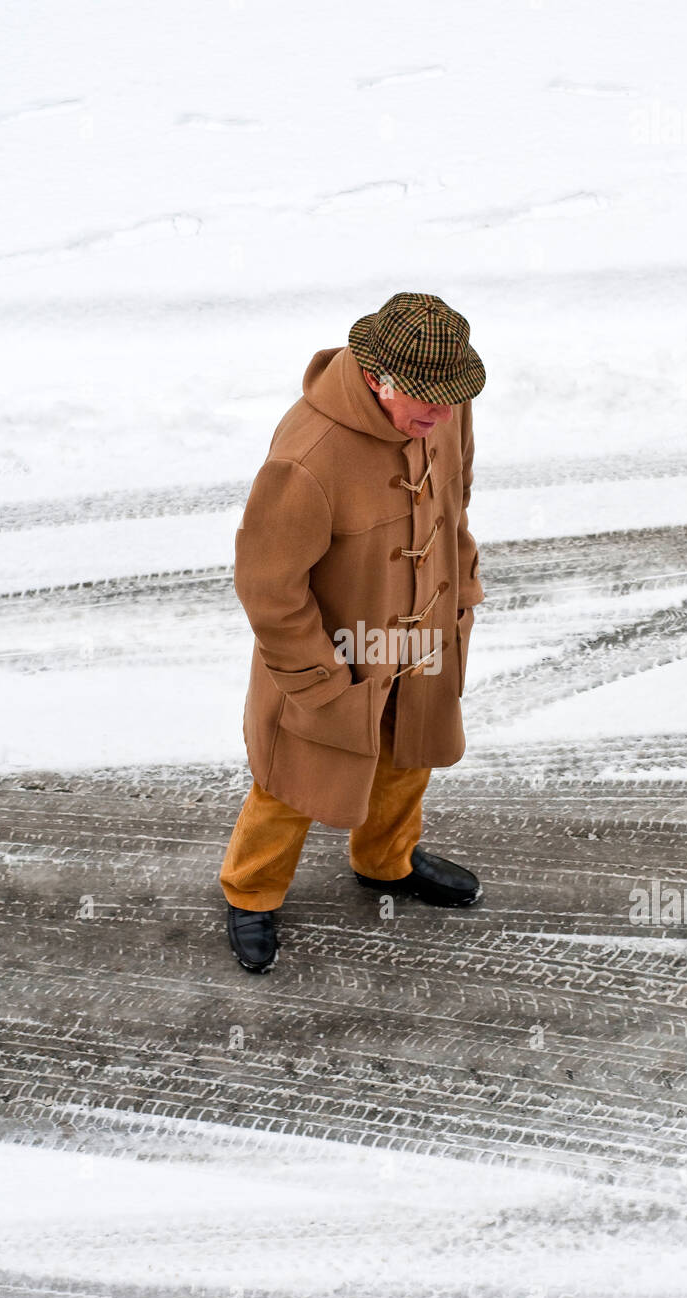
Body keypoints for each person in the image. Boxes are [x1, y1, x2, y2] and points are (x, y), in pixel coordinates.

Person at [219, 291, 486, 972]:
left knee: (408, 757)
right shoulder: (308, 455)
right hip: (337, 656)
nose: (443, 415)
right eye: (428, 399)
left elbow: (455, 504)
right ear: (376, 377)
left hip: (421, 639)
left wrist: (461, 595)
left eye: (452, 397)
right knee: (293, 783)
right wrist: (315, 677)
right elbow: (267, 585)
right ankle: (250, 894)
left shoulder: (442, 413)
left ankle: (385, 862)